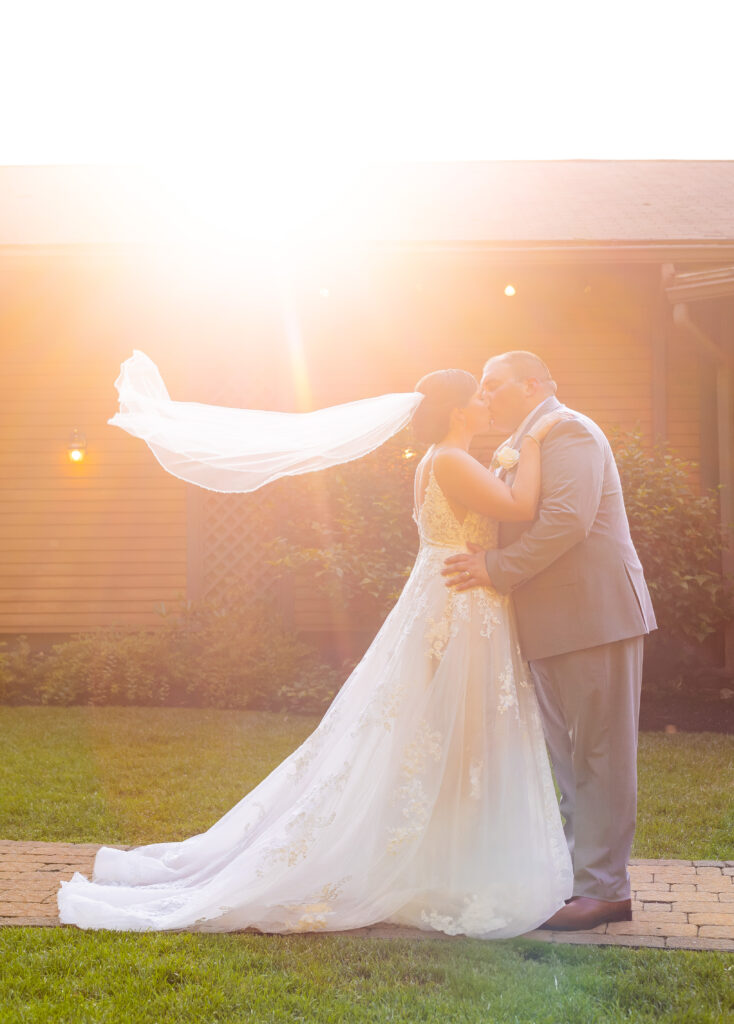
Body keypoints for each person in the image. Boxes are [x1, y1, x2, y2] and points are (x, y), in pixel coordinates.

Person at [58, 368, 574, 937]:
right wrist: (533, 440)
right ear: (456, 411)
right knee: (453, 738)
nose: (486, 400)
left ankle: (446, 862)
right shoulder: (450, 460)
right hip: (457, 605)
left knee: (447, 740)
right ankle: (443, 865)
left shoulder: (443, 459)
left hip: (453, 597)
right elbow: (522, 507)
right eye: (478, 395)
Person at [443, 351, 657, 930]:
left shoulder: (568, 430)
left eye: (495, 385)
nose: (484, 395)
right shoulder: (522, 443)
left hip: (593, 616)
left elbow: (567, 520)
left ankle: (606, 890)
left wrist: (497, 568)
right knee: (566, 759)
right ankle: (575, 879)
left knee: (601, 755)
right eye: (480, 387)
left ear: (533, 384)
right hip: (548, 623)